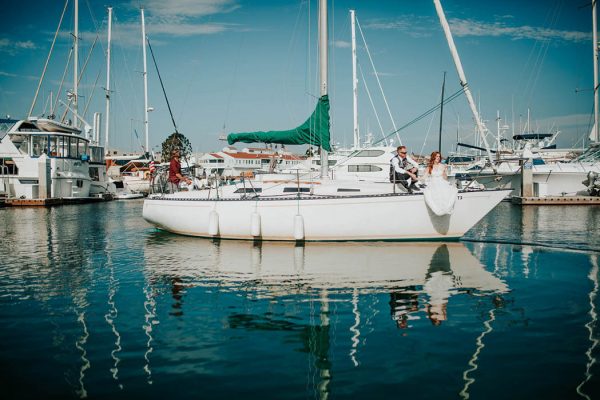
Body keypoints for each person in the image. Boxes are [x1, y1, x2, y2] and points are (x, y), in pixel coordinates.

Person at [422, 151, 458, 216]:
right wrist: (414, 178)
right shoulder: (429, 167)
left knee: (445, 195)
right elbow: (423, 177)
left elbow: (445, 178)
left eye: (439, 156)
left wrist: (445, 171)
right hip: (433, 184)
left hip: (442, 183)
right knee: (434, 196)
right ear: (433, 157)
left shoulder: (442, 165)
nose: (438, 158)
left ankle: (444, 210)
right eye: (437, 156)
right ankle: (438, 211)